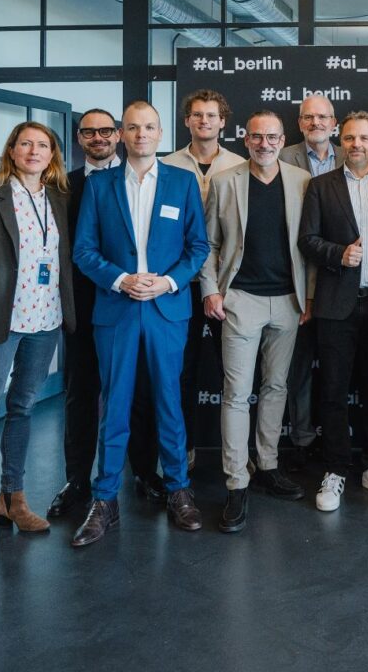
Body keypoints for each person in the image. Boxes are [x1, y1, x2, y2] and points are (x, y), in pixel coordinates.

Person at [71, 100, 210, 548]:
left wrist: (168, 282)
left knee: (170, 402)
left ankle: (177, 489)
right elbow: (84, 251)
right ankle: (105, 499)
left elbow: (198, 248)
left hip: (167, 309)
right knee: (114, 406)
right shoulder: (100, 186)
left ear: (160, 131)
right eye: (132, 127)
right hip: (117, 308)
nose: (141, 134)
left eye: (149, 126)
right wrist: (122, 279)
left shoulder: (183, 182)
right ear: (122, 134)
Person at [0, 121, 75, 570]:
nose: (34, 150)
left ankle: (13, 498)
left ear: (52, 155)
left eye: (43, 145)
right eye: (26, 143)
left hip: (45, 321)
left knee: (22, 409)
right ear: (12, 149)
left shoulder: (58, 199)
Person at [200, 110, 311, 533]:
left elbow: (307, 245)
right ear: (245, 140)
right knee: (235, 394)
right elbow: (208, 243)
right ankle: (236, 482)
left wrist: (309, 297)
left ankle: (267, 465)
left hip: (287, 301)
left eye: (273, 137)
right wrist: (211, 290)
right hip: (240, 299)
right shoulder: (226, 181)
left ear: (284, 140)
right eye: (257, 137)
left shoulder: (301, 182)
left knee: (277, 387)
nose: (265, 144)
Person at [298, 111, 368, 512]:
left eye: (364, 138)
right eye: (349, 138)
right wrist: (338, 254)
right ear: (340, 142)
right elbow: (307, 239)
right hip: (336, 305)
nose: (356, 144)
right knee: (333, 391)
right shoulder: (320, 185)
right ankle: (336, 469)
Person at [48, 109, 126, 518]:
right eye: (89, 132)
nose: (98, 137)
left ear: (118, 134)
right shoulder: (61, 187)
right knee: (81, 395)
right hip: (80, 307)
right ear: (79, 138)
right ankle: (77, 481)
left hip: (128, 307)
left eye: (105, 130)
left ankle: (142, 475)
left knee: (134, 393)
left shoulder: (136, 179)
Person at [163, 89, 245, 469]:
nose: (204, 121)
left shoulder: (240, 164)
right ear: (187, 121)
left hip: (226, 285)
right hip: (178, 285)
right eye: (197, 115)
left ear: (223, 121)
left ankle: (239, 455)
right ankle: (185, 448)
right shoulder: (166, 165)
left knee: (235, 373)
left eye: (211, 115)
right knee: (182, 372)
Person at [280, 94, 345, 469]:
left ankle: (336, 444)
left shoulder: (351, 156)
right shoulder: (284, 156)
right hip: (296, 276)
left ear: (334, 123)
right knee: (299, 368)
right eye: (309, 117)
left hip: (339, 278)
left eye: (323, 117)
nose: (316, 123)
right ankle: (302, 439)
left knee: (338, 372)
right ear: (300, 122)